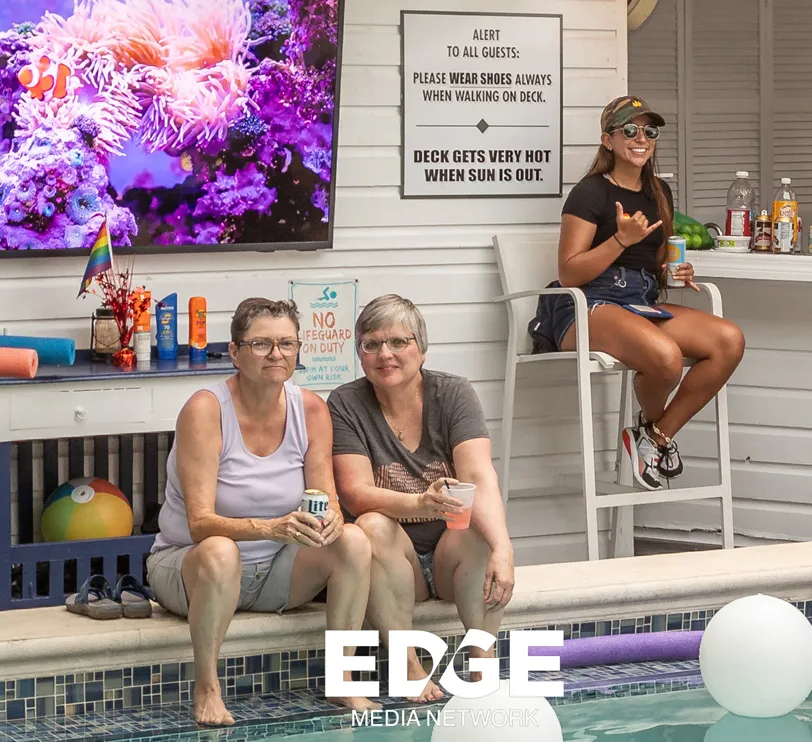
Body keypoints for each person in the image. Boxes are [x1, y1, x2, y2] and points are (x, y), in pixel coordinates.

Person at [146, 298, 377, 726]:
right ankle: (207, 688)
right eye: (261, 344)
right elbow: (199, 524)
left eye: (287, 344)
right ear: (235, 352)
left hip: (274, 572)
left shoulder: (311, 409)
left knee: (354, 541)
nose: (276, 354)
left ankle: (343, 680)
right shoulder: (205, 409)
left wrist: (330, 521)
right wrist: (272, 527)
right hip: (191, 568)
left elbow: (326, 498)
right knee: (220, 550)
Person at [532, 95, 745, 492]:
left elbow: (651, 260)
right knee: (665, 357)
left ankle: (655, 436)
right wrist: (619, 240)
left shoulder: (658, 191)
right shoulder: (590, 193)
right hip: (585, 304)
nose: (641, 138)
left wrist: (673, 270)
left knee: (728, 340)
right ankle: (651, 432)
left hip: (639, 300)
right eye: (629, 130)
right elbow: (569, 272)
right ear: (608, 140)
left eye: (649, 131)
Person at [327, 294, 515, 703]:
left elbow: (478, 476)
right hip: (395, 563)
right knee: (371, 525)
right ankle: (409, 667)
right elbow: (355, 493)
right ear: (360, 354)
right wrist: (418, 503)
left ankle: (481, 665)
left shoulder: (453, 393)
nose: (385, 354)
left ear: (422, 349)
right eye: (372, 344)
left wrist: (503, 548)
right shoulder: (345, 403)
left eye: (399, 342)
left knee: (480, 532)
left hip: (450, 558)